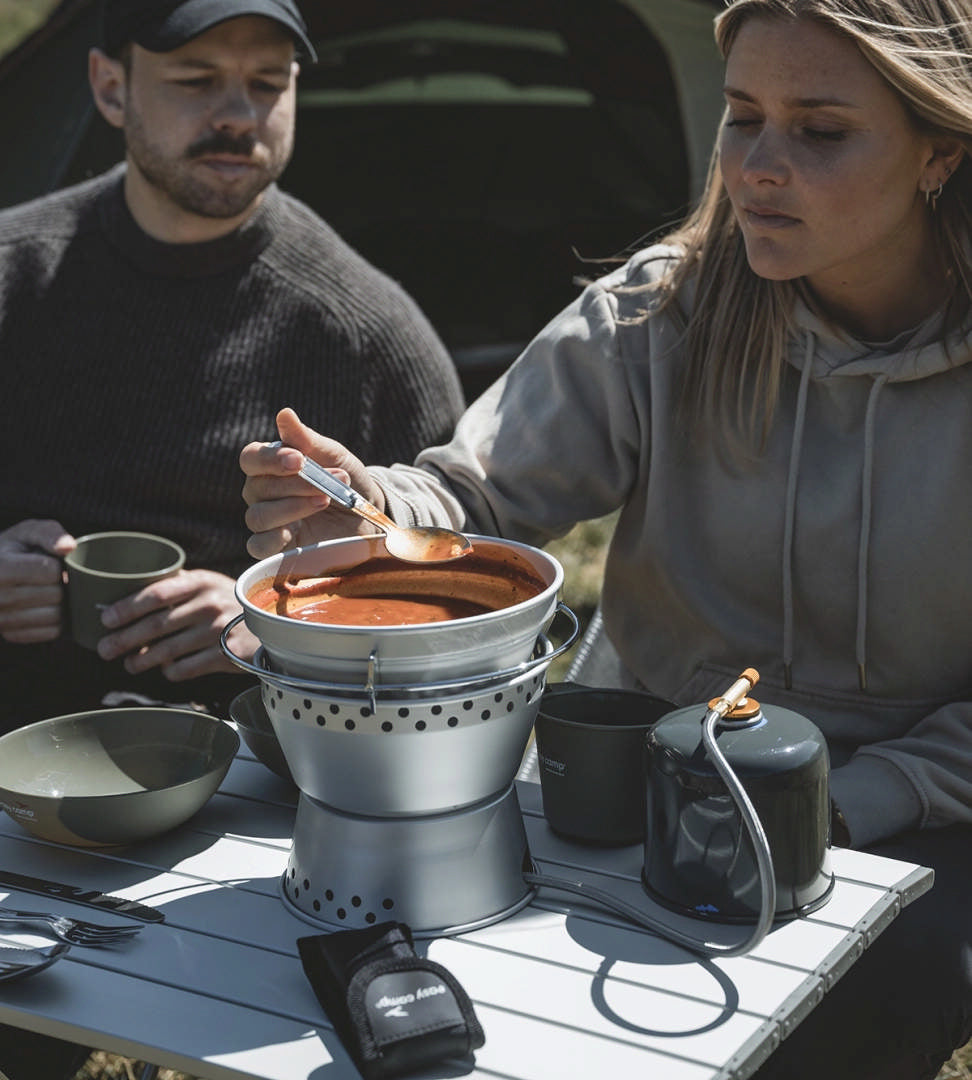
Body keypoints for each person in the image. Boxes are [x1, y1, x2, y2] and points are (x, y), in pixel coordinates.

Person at [241, 1, 972, 1077]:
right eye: (742, 117)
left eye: (821, 130)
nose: (757, 167)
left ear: (938, 153)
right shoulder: (665, 312)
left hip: (925, 803)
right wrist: (370, 510)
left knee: (888, 985)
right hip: (648, 770)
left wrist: (855, 804)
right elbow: (479, 497)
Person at [0, 0, 465, 735]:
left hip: (263, 766)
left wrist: (280, 629)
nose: (238, 116)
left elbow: (457, 617)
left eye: (268, 82)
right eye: (196, 79)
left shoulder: (367, 335)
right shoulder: (15, 276)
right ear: (111, 88)